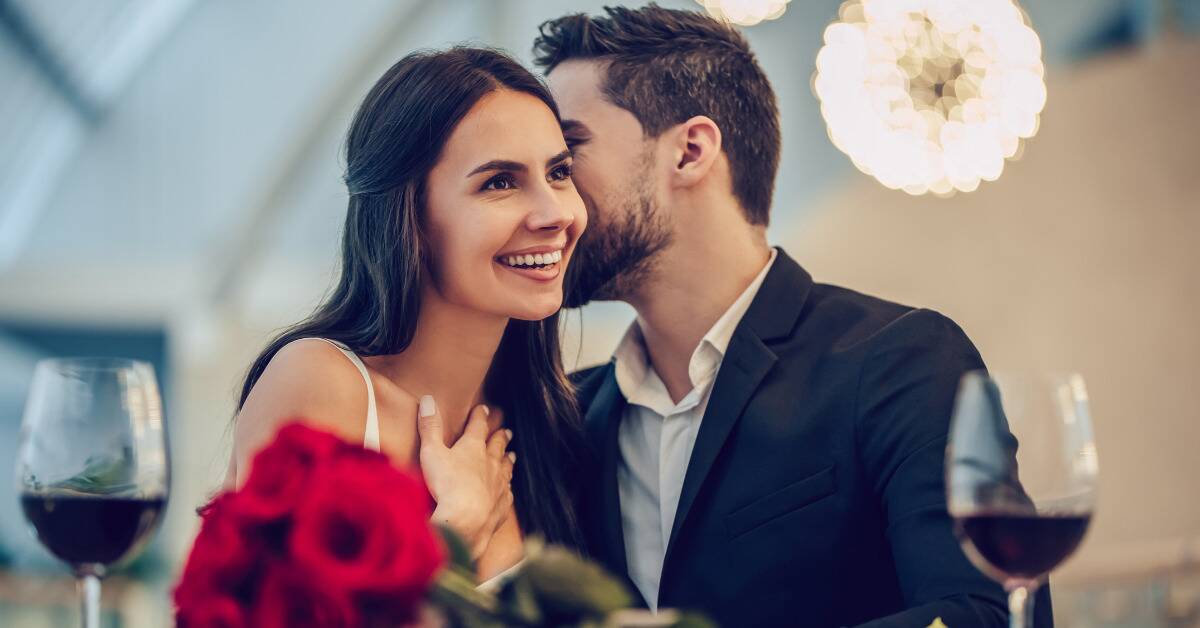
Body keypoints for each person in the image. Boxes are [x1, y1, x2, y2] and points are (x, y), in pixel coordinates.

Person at [533, 6, 1053, 626]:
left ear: (690, 151)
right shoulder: (569, 419)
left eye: (568, 155)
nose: (552, 195)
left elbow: (989, 615)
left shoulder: (904, 361)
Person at [225, 47, 588, 584]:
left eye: (558, 172)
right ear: (408, 214)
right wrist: (456, 535)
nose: (556, 213)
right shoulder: (320, 384)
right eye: (499, 182)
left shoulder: (545, 417)